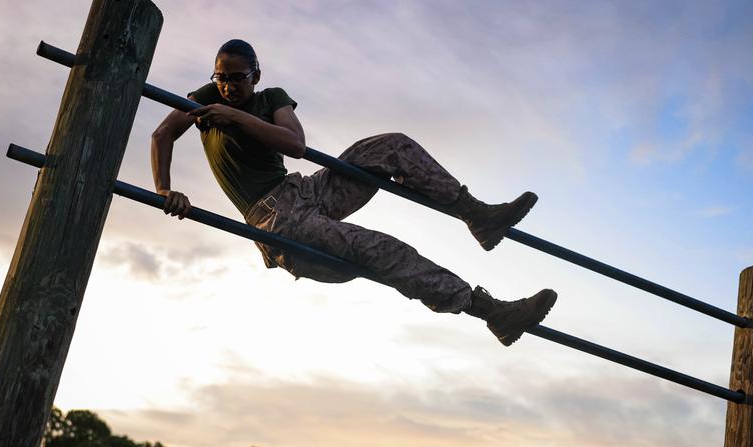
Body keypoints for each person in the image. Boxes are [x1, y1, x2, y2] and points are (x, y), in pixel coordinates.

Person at [151, 39, 558, 346]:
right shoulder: (206, 101)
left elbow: (295, 144)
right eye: (220, 77)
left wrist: (235, 117)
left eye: (237, 78)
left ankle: (477, 215)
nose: (226, 86)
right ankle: (491, 312)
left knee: (390, 146)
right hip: (278, 220)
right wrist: (166, 189)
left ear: (255, 76)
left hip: (305, 189)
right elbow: (162, 134)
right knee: (388, 251)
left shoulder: (268, 99)